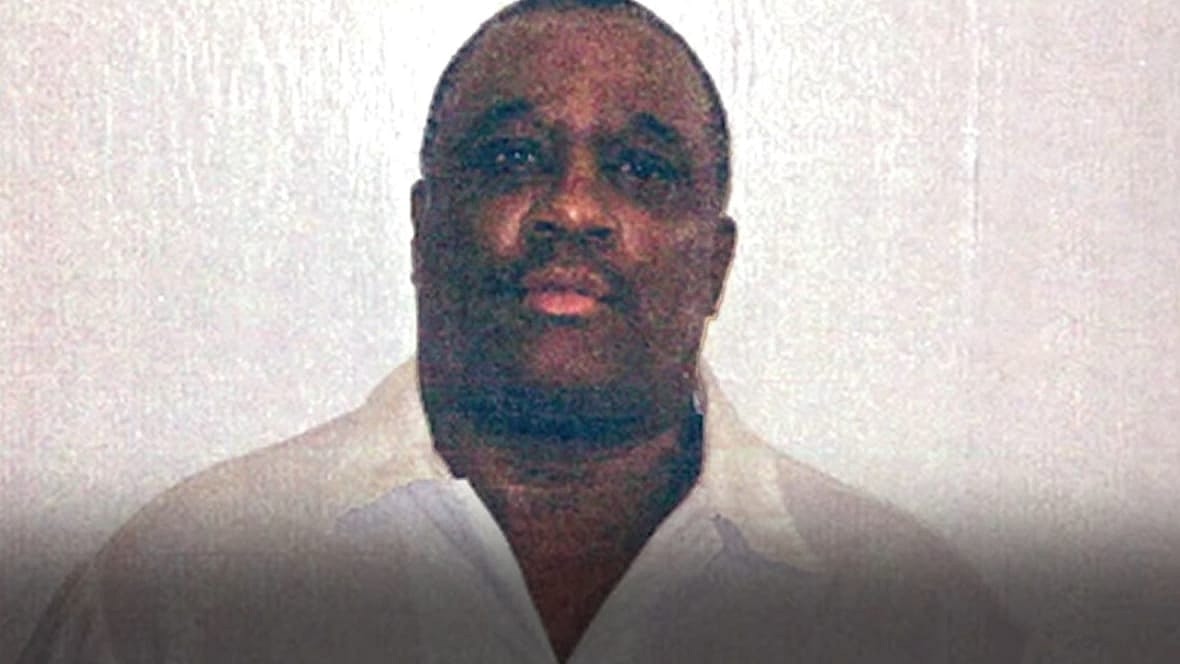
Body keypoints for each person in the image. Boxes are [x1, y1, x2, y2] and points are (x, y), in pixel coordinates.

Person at [19, 1, 1024, 662]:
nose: (572, 208)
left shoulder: (914, 621)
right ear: (423, 230)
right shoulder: (175, 596)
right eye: (512, 156)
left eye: (640, 168)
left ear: (715, 262)